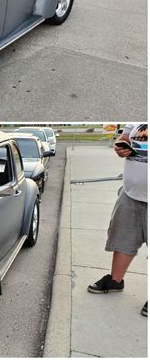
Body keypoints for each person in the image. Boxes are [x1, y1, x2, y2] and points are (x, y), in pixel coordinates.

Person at [87, 124, 147, 318]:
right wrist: (121, 147)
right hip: (131, 193)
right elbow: (126, 139)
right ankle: (115, 280)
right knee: (122, 238)